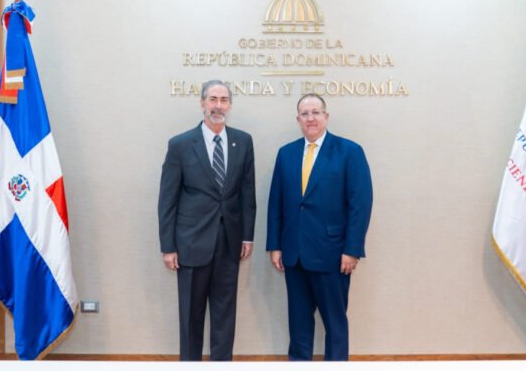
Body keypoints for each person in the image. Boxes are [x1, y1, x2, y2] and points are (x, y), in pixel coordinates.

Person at [266, 93, 373, 361]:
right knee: (298, 327)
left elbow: (360, 205)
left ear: (326, 116)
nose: (310, 118)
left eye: (315, 112)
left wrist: (352, 249)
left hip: (333, 256)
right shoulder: (286, 153)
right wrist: (275, 245)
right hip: (294, 255)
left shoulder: (350, 151)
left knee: (335, 326)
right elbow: (275, 203)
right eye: (305, 114)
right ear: (298, 119)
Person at [158, 80, 256, 361]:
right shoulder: (179, 144)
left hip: (229, 243)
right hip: (190, 244)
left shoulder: (243, 141)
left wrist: (247, 236)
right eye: (213, 99)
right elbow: (168, 199)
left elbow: (247, 192)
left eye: (224, 100)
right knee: (191, 315)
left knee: (225, 315)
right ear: (202, 103)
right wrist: (168, 246)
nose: (218, 105)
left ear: (230, 105)